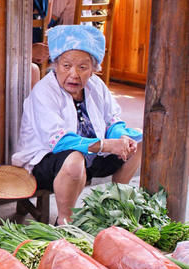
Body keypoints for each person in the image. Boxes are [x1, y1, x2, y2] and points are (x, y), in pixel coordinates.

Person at [12, 25, 142, 225]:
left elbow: (113, 119)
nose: (74, 74)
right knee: (74, 159)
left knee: (137, 140)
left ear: (93, 69)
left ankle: (116, 205)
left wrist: (122, 137)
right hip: (46, 163)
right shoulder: (44, 92)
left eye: (83, 67)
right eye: (66, 66)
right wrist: (107, 145)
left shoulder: (96, 86)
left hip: (91, 158)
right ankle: (65, 221)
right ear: (56, 65)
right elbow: (59, 142)